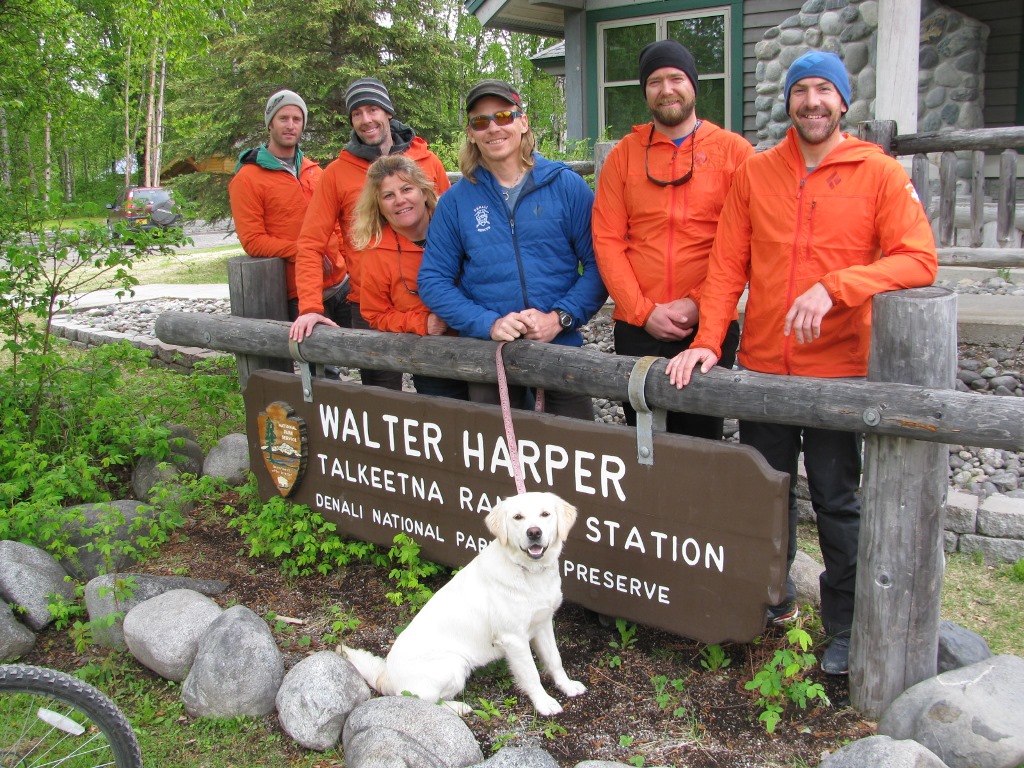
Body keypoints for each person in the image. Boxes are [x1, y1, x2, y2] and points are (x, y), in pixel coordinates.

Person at [664, 51, 938, 675]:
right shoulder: (757, 174)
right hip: (763, 366)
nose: (812, 102)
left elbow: (919, 259)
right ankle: (769, 603)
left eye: (824, 91)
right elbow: (727, 265)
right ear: (788, 103)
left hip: (838, 370)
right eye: (801, 91)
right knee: (767, 495)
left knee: (838, 501)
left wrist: (839, 284)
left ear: (843, 103)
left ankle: (843, 627)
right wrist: (709, 338)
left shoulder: (879, 173)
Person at [417, 78, 607, 419]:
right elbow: (433, 280)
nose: (493, 128)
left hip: (560, 349)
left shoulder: (567, 187)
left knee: (577, 457)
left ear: (523, 121)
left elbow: (599, 265)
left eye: (503, 116)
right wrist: (487, 323)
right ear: (471, 133)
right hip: (489, 358)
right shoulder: (457, 202)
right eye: (480, 121)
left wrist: (559, 318)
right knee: (495, 463)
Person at [592, 39, 753, 440]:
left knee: (701, 436)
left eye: (676, 78)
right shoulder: (624, 156)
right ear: (645, 91)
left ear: (693, 85)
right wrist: (643, 311)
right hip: (637, 324)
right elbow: (607, 239)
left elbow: (743, 244)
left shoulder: (735, 153)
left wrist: (699, 304)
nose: (666, 89)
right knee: (642, 431)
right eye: (655, 81)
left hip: (709, 323)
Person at [290, 78, 450, 389]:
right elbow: (310, 243)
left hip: (431, 303)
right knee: (380, 402)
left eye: (373, 109)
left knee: (442, 399)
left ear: (388, 112)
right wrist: (310, 307)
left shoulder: (427, 161)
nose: (366, 120)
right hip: (371, 308)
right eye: (357, 113)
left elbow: (453, 229)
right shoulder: (337, 172)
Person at [348, 155, 467, 399]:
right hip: (432, 358)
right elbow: (375, 314)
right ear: (378, 205)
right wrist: (421, 323)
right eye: (388, 195)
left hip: (482, 340)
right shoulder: (375, 253)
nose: (400, 200)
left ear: (423, 192)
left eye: (406, 189)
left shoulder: (457, 224)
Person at [229, 90, 348, 325]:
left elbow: (335, 225)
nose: (290, 125)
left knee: (367, 353)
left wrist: (344, 261)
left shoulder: (315, 171)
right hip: (298, 292)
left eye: (297, 119)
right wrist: (303, 252)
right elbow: (252, 240)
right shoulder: (247, 178)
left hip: (341, 284)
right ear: (270, 124)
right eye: (283, 118)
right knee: (317, 361)